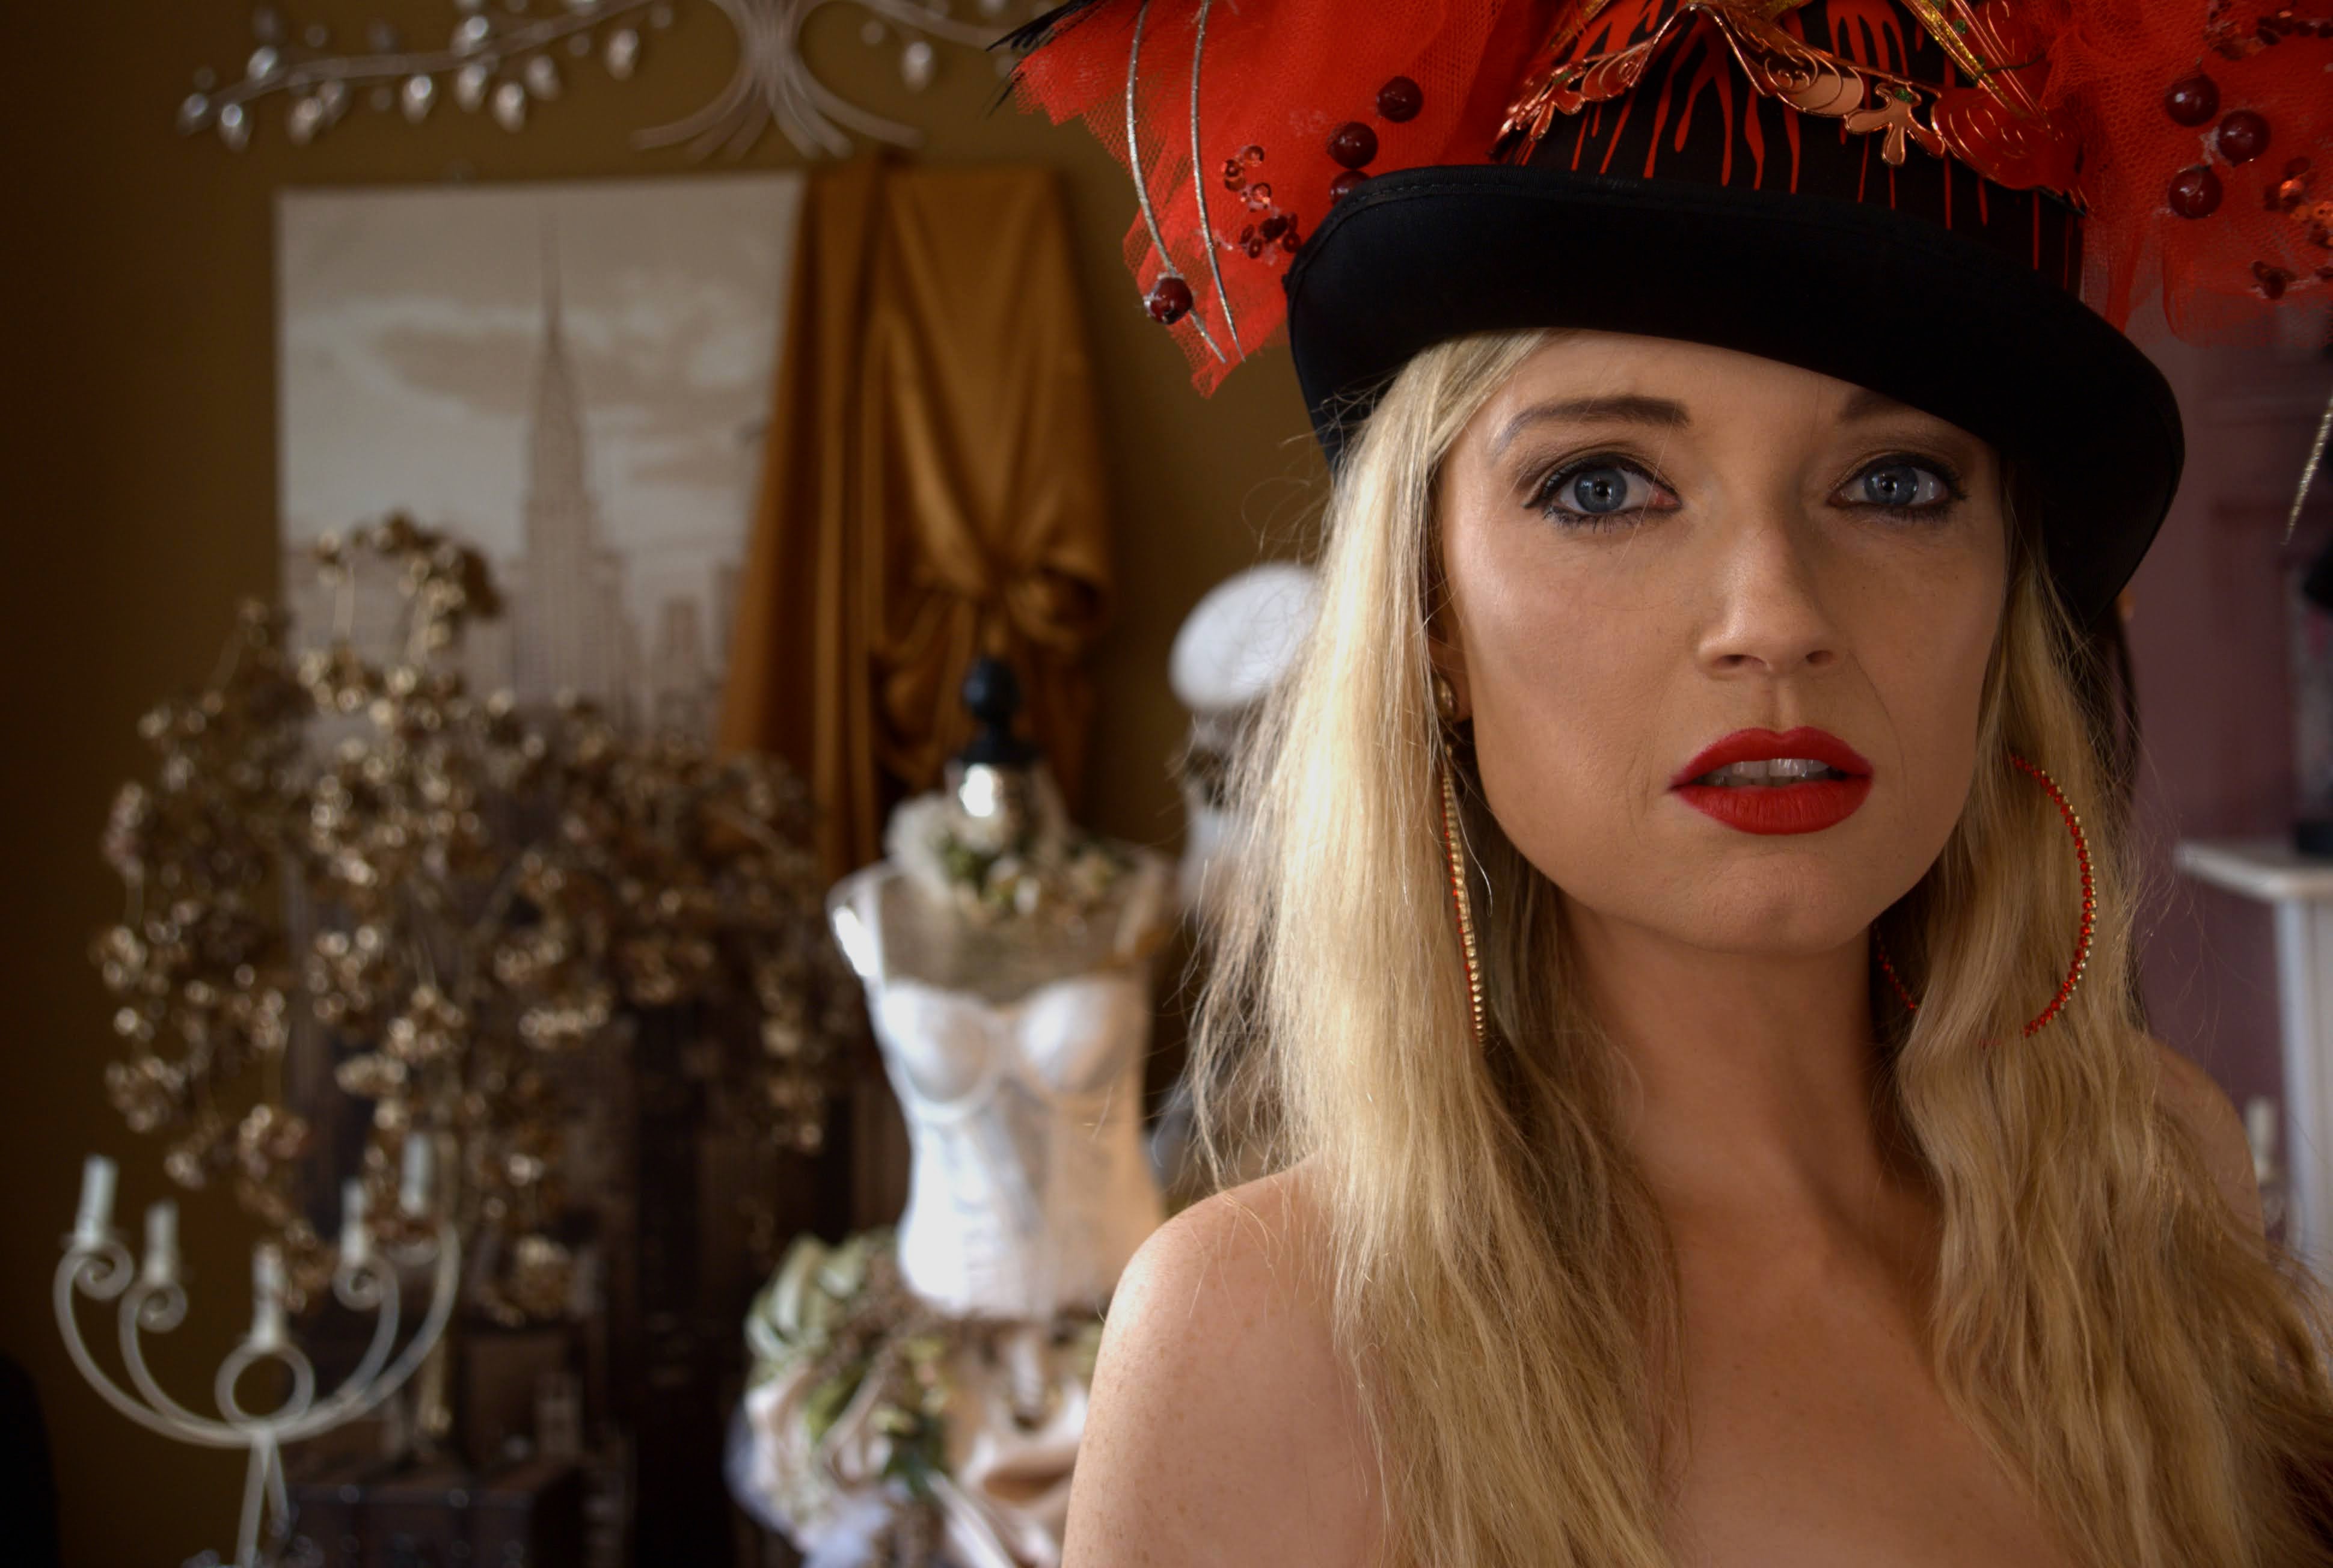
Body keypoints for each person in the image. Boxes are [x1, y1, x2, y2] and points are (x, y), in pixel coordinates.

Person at [1010, 1, 2333, 1564]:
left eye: (1896, 483)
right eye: (1603, 486)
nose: (1774, 614)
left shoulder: (2155, 1177)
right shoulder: (1264, 1345)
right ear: (1429, 619)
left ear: (2004, 613)